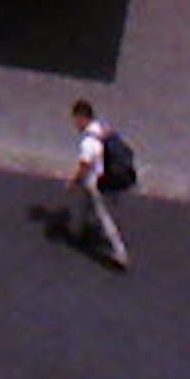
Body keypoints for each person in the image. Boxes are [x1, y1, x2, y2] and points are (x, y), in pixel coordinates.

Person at [59, 99, 130, 269]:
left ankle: (120, 252)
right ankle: (81, 230)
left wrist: (72, 182)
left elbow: (84, 166)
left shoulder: (87, 143)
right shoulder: (100, 129)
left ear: (82, 118)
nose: (75, 123)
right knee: (85, 204)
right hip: (102, 178)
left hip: (95, 182)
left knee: (103, 216)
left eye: (76, 119)